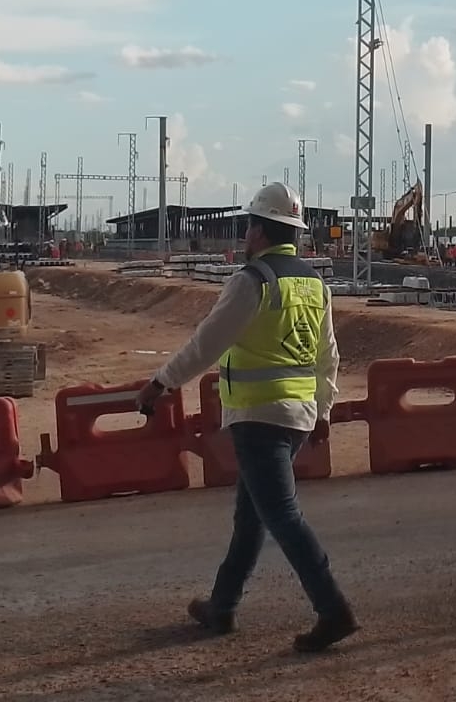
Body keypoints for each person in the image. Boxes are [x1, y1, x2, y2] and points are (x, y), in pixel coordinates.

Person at [136, 182, 357, 652]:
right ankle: (223, 605)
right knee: (252, 515)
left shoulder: (252, 281)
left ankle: (332, 609)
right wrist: (324, 410)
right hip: (297, 415)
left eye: (250, 225)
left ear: (259, 229)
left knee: (280, 514)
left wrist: (161, 383)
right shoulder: (314, 283)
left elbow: (206, 343)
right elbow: (328, 356)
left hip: (260, 416)